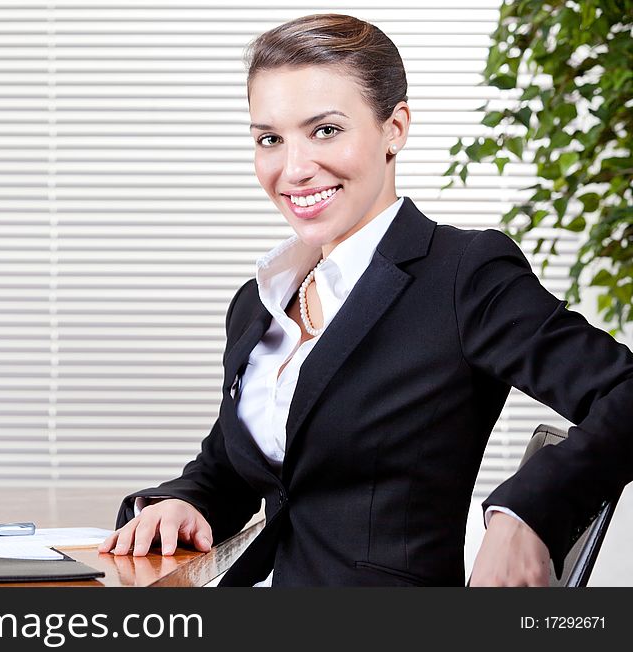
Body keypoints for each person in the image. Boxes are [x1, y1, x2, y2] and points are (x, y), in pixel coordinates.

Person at [97, 13, 633, 586]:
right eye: (270, 139)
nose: (295, 168)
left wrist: (524, 514)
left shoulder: (462, 275)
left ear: (394, 128)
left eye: (325, 130)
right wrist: (183, 505)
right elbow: (232, 470)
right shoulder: (260, 303)